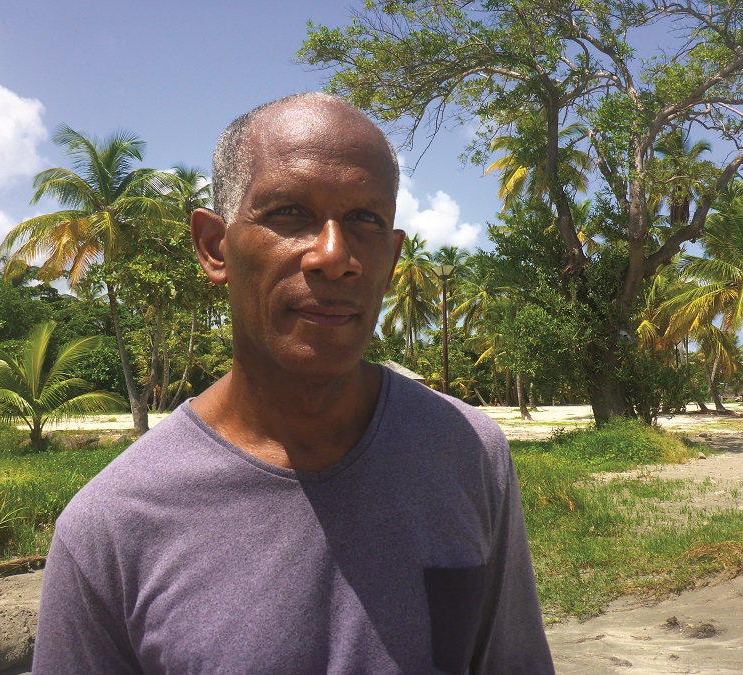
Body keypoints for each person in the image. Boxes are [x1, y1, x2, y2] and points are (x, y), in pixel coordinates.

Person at [33, 92, 554, 674]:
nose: (334, 256)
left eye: (365, 220)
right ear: (214, 246)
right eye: (288, 213)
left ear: (390, 258)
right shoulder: (111, 528)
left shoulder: (467, 453)